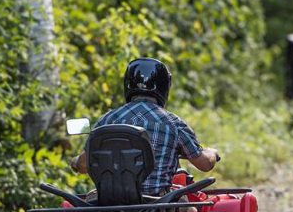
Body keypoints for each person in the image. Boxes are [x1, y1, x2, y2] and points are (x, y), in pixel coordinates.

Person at [70, 57, 219, 196]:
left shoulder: (107, 120)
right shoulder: (173, 123)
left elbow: (83, 165)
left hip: (110, 204)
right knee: (191, 208)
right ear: (164, 86)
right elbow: (204, 165)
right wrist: (212, 153)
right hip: (157, 204)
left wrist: (75, 161)